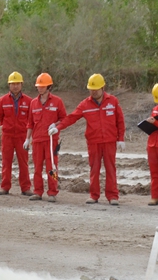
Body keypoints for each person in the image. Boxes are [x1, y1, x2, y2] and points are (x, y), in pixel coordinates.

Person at [50, 74, 125, 205]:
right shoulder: (85, 104)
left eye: (96, 89)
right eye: (91, 89)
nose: (93, 92)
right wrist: (59, 127)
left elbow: (120, 121)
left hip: (109, 141)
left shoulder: (113, 101)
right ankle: (94, 195)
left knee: (111, 169)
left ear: (103, 87)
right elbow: (72, 117)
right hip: (93, 142)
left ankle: (113, 196)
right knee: (94, 169)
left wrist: (121, 139)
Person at [26, 73, 67, 202]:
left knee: (52, 167)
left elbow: (64, 119)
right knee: (37, 167)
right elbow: (30, 123)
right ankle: (37, 192)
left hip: (51, 141)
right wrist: (27, 139)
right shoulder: (33, 103)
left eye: (43, 86)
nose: (40, 88)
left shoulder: (57, 101)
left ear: (49, 87)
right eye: (39, 86)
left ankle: (52, 192)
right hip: (37, 140)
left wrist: (56, 126)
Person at [0, 72, 33, 196]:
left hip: (22, 136)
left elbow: (31, 119)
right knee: (6, 162)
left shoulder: (29, 101)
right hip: (7, 135)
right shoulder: (2, 100)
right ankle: (5, 187)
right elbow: (0, 117)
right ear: (9, 85)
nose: (15, 86)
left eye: (17, 84)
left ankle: (25, 188)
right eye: (13, 84)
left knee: (24, 162)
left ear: (22, 84)